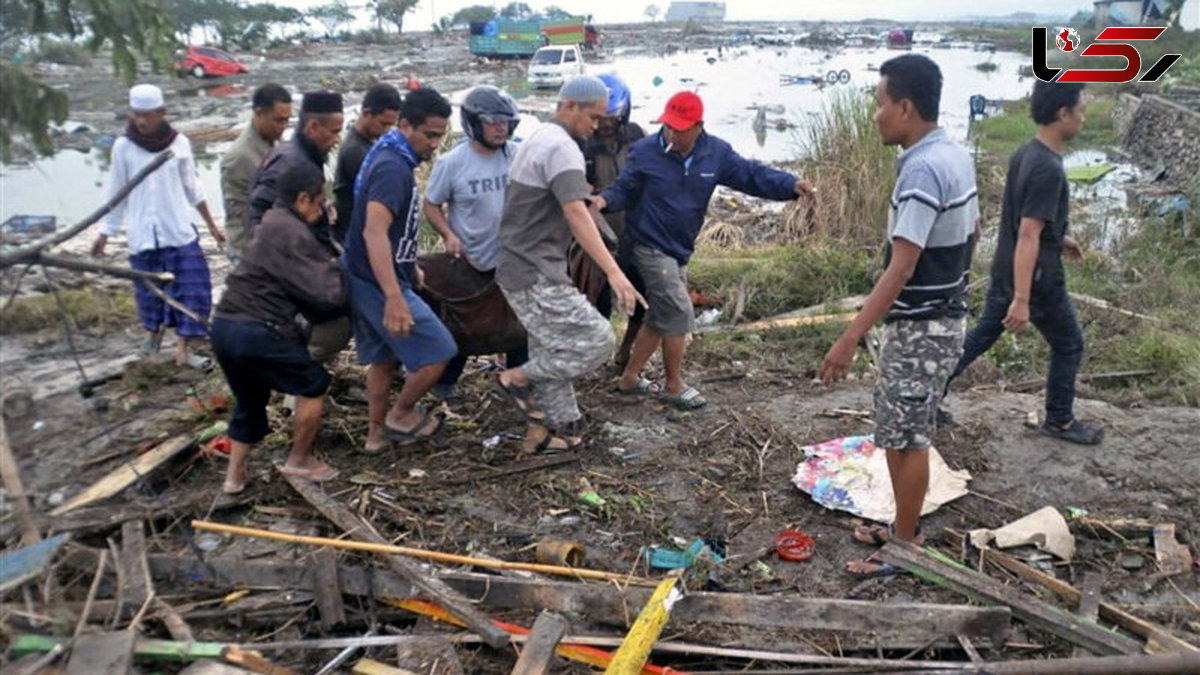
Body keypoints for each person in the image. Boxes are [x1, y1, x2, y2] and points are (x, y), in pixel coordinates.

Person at [818, 54, 978, 576]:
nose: (875, 114)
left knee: (906, 438)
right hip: (944, 317)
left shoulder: (924, 169)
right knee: (906, 430)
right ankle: (903, 528)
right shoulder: (953, 153)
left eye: (880, 103)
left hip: (921, 327)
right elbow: (972, 234)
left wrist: (847, 340)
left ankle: (905, 548)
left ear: (905, 107)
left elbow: (901, 267)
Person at [592, 90, 812, 409]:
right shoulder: (644, 152)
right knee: (679, 310)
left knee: (660, 314)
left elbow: (751, 175)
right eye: (668, 125)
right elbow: (623, 189)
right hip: (646, 245)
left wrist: (790, 186)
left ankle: (630, 377)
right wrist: (603, 200)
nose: (672, 133)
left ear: (699, 126)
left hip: (678, 248)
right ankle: (673, 384)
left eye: (680, 128)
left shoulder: (716, 154)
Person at [945, 81, 1102, 445]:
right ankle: (1060, 420)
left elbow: (1026, 223)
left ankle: (925, 397)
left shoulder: (1026, 153)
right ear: (1062, 114)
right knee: (1070, 345)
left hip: (1006, 267)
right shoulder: (1047, 167)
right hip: (1036, 278)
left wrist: (1060, 238)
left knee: (982, 336)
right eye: (1080, 110)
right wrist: (1022, 298)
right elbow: (1028, 233)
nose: (1083, 118)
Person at [493, 75, 645, 452]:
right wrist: (614, 271)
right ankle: (515, 378)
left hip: (522, 265)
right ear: (569, 107)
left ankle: (564, 429)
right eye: (593, 117)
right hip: (532, 270)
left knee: (553, 347)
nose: (596, 127)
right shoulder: (563, 148)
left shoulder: (541, 138)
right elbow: (576, 212)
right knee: (598, 340)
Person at [212, 162, 347, 494]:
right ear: (303, 199)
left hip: (224, 328)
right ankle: (300, 459)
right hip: (258, 330)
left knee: (249, 401)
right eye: (319, 203)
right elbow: (327, 294)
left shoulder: (272, 220)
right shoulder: (293, 231)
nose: (321, 210)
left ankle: (234, 478)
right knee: (313, 383)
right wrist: (345, 271)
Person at [344, 88, 457, 455]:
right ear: (406, 125)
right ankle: (401, 414)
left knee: (383, 359)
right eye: (431, 135)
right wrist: (394, 295)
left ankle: (375, 437)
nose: (436, 144)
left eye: (441, 135)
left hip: (367, 275)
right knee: (440, 349)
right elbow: (374, 231)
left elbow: (391, 230)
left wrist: (408, 267)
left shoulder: (389, 152)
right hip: (377, 282)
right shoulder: (393, 168)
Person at [93, 84, 225, 368]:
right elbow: (117, 193)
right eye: (137, 115)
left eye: (148, 115)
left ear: (162, 113)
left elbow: (194, 188)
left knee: (192, 287)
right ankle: (151, 338)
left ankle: (183, 347)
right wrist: (107, 232)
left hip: (177, 230)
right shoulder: (123, 147)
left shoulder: (178, 144)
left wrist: (212, 226)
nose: (141, 121)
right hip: (143, 235)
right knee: (149, 292)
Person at [422, 85, 527, 401]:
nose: (500, 128)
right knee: (464, 327)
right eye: (493, 122)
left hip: (513, 259)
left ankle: (515, 381)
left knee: (521, 323)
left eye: (506, 122)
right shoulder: (452, 164)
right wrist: (448, 235)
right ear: (473, 123)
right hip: (471, 260)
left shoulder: (517, 155)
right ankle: (444, 384)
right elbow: (431, 205)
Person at [246, 90, 349, 363]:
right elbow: (260, 212)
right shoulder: (292, 162)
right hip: (289, 269)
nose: (337, 139)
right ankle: (300, 381)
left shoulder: (297, 155)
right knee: (332, 326)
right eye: (334, 131)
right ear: (313, 127)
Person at [580, 73, 645, 366]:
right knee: (597, 302)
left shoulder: (637, 138)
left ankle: (625, 353)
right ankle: (594, 355)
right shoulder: (580, 144)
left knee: (642, 300)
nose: (606, 124)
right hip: (596, 238)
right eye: (600, 118)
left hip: (635, 233)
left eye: (612, 117)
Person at [220, 83, 292, 261]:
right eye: (278, 120)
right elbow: (239, 210)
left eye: (287, 120)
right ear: (259, 113)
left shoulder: (273, 141)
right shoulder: (239, 156)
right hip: (249, 251)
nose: (283, 126)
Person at [333, 83, 403, 245]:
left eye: (390, 126)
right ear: (366, 113)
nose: (387, 131)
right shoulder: (355, 151)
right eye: (383, 124)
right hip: (353, 235)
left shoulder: (370, 142)